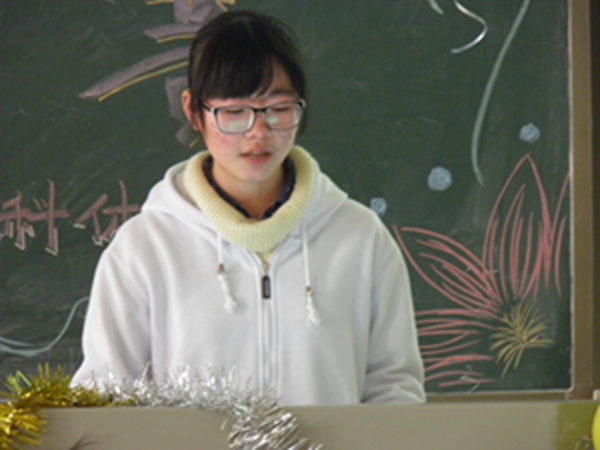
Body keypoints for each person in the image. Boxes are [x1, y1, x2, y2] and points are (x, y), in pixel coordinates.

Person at [71, 10, 425, 406]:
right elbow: (106, 397)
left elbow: (395, 390)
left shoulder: (360, 238)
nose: (259, 132)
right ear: (193, 111)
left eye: (278, 108)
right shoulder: (144, 248)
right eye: (235, 112)